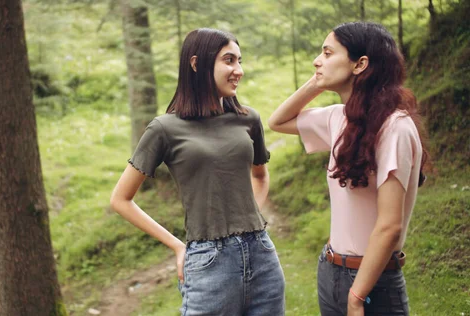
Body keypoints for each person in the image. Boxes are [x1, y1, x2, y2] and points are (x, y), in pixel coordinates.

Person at [110, 28, 285, 316]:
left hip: (263, 255)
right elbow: (121, 199)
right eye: (229, 60)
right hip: (208, 262)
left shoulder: (248, 119)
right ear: (196, 63)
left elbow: (260, 175)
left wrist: (251, 214)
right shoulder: (164, 128)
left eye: (240, 61)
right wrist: (179, 247)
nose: (238, 70)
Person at [267, 22, 429, 315]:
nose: (317, 60)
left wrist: (357, 296)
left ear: (360, 64)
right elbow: (277, 121)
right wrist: (318, 80)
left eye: (328, 53)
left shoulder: (396, 128)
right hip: (330, 269)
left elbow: (390, 226)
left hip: (372, 281)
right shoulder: (338, 118)